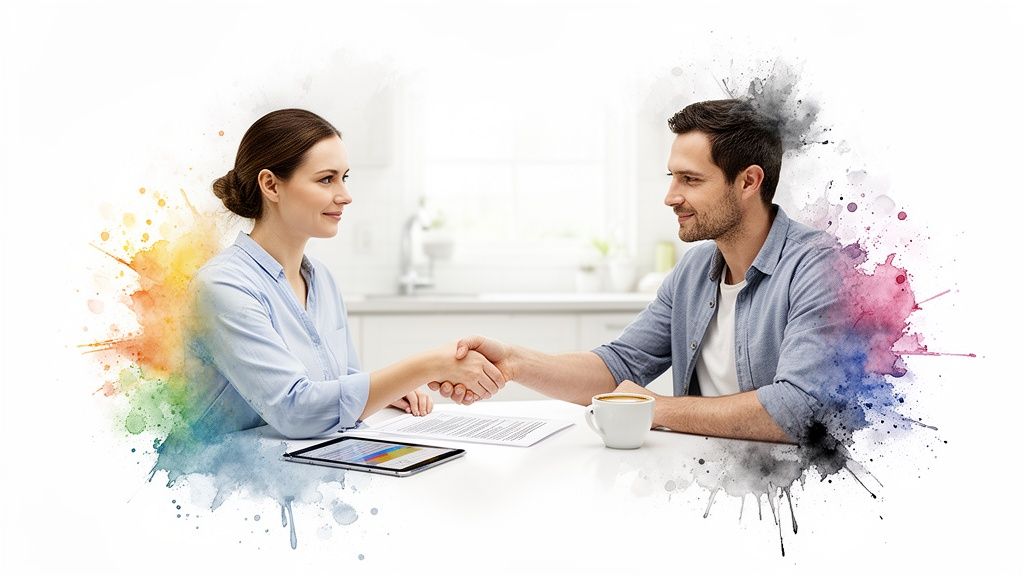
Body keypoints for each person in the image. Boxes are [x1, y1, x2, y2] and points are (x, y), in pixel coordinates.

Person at [431, 98, 845, 446]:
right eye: (672, 177)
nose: (671, 196)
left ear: (748, 181)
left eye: (691, 179)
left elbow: (800, 409)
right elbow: (618, 367)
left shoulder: (819, 266)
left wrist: (656, 409)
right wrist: (516, 363)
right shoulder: (695, 271)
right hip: (700, 472)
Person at [185, 108, 505, 440]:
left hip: (306, 466)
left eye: (344, 177)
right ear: (271, 185)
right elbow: (297, 411)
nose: (345, 196)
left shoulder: (321, 280)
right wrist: (428, 366)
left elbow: (342, 378)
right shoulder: (224, 287)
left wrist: (383, 393)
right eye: (326, 179)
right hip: (231, 482)